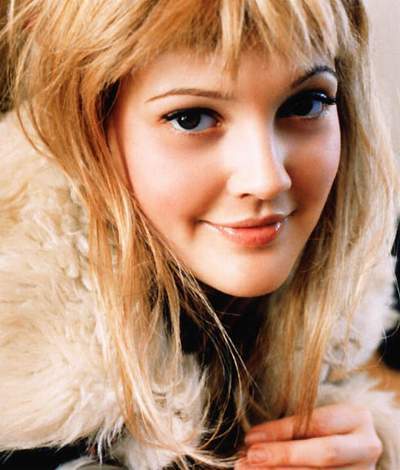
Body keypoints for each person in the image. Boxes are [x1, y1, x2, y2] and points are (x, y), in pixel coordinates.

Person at [0, 1, 399, 469]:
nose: (267, 178)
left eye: (306, 103)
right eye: (191, 118)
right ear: (91, 129)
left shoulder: (351, 335)